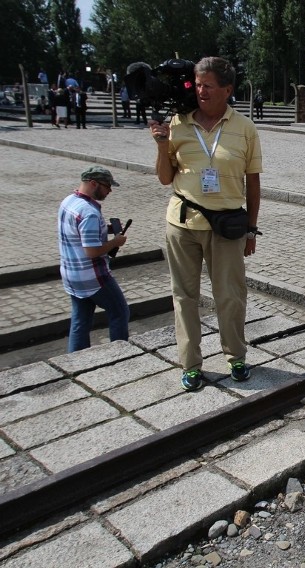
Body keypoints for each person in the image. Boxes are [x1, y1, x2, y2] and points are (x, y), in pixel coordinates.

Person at [149, 56, 262, 392]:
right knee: (184, 296)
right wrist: (161, 145)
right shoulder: (178, 123)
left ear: (227, 90)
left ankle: (236, 356)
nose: (200, 91)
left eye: (208, 85)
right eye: (197, 85)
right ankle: (191, 364)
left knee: (230, 296)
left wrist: (251, 228)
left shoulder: (244, 128)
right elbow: (165, 177)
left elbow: (253, 183)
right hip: (182, 224)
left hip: (226, 227)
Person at [58, 166, 130, 352]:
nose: (109, 191)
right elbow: (91, 251)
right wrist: (115, 242)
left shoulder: (69, 201)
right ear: (93, 183)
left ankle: (77, 360)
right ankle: (120, 355)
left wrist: (106, 228)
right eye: (107, 186)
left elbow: (79, 231)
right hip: (93, 277)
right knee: (119, 312)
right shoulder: (89, 211)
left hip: (71, 274)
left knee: (80, 320)